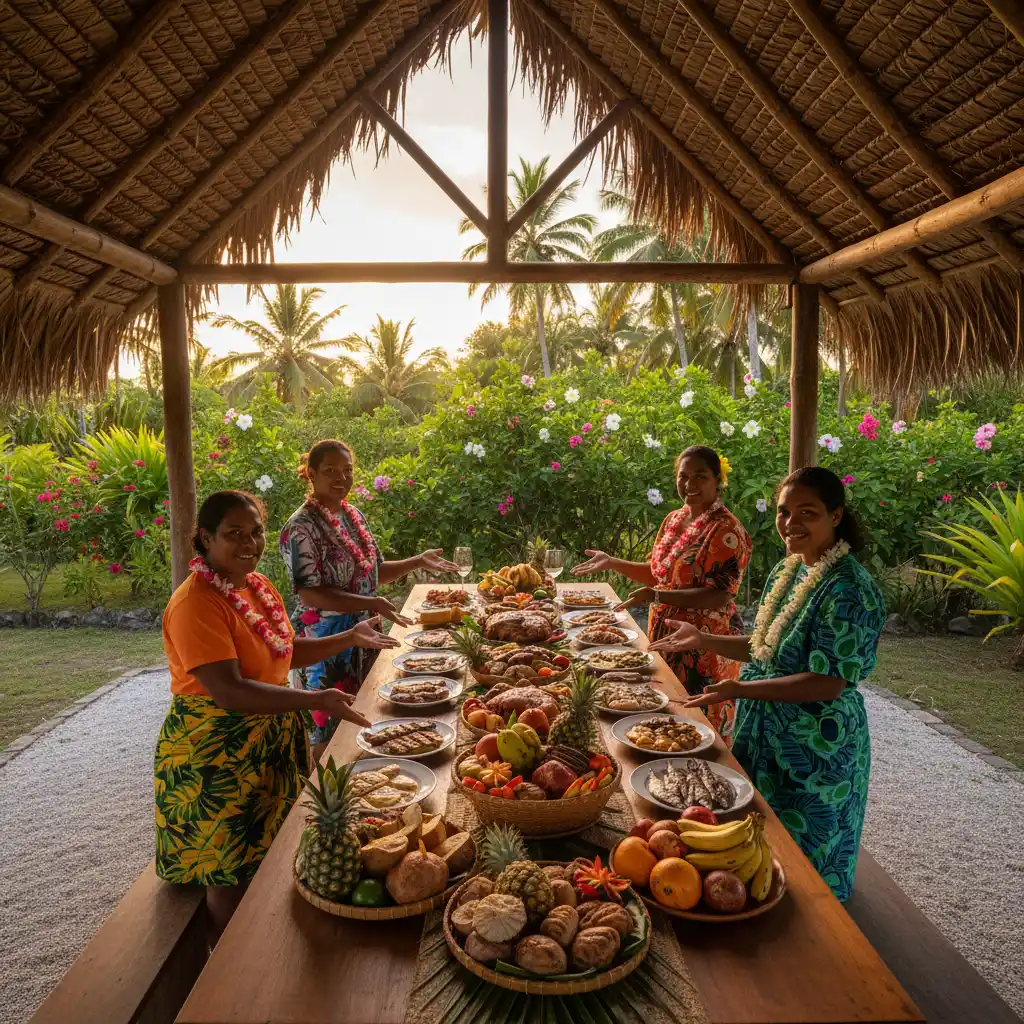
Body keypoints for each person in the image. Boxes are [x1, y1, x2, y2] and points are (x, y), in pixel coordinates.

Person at [156, 490, 398, 939]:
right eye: (234, 533)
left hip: (270, 737)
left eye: (255, 531)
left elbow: (283, 652)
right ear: (205, 538)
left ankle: (267, 944)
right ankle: (228, 963)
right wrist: (314, 700)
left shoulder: (257, 586)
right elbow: (229, 691)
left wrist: (350, 637)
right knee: (229, 868)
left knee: (274, 847)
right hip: (216, 754)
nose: (249, 542)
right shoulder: (196, 603)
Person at [651, 467, 884, 902]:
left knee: (808, 866)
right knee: (753, 843)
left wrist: (740, 690)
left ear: (835, 515)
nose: (791, 523)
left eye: (807, 512)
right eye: (783, 511)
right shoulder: (786, 570)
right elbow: (764, 648)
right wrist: (703, 639)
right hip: (762, 730)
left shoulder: (851, 589)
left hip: (815, 745)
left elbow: (828, 683)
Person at [280, 439, 458, 759]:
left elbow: (373, 573)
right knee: (328, 730)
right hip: (325, 642)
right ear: (311, 474)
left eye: (347, 470)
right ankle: (325, 788)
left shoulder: (354, 516)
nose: (341, 477)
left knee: (368, 714)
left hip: (365, 634)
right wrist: (369, 603)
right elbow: (309, 592)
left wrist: (418, 561)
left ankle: (364, 780)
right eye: (330, 470)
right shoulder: (301, 526)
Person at [573, 446, 751, 736]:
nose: (690, 484)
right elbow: (659, 574)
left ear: (718, 480)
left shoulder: (726, 530)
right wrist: (613, 562)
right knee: (663, 717)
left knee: (699, 724)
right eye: (683, 476)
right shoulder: (674, 519)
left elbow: (720, 594)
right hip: (665, 632)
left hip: (703, 645)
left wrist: (657, 596)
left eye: (700, 476)